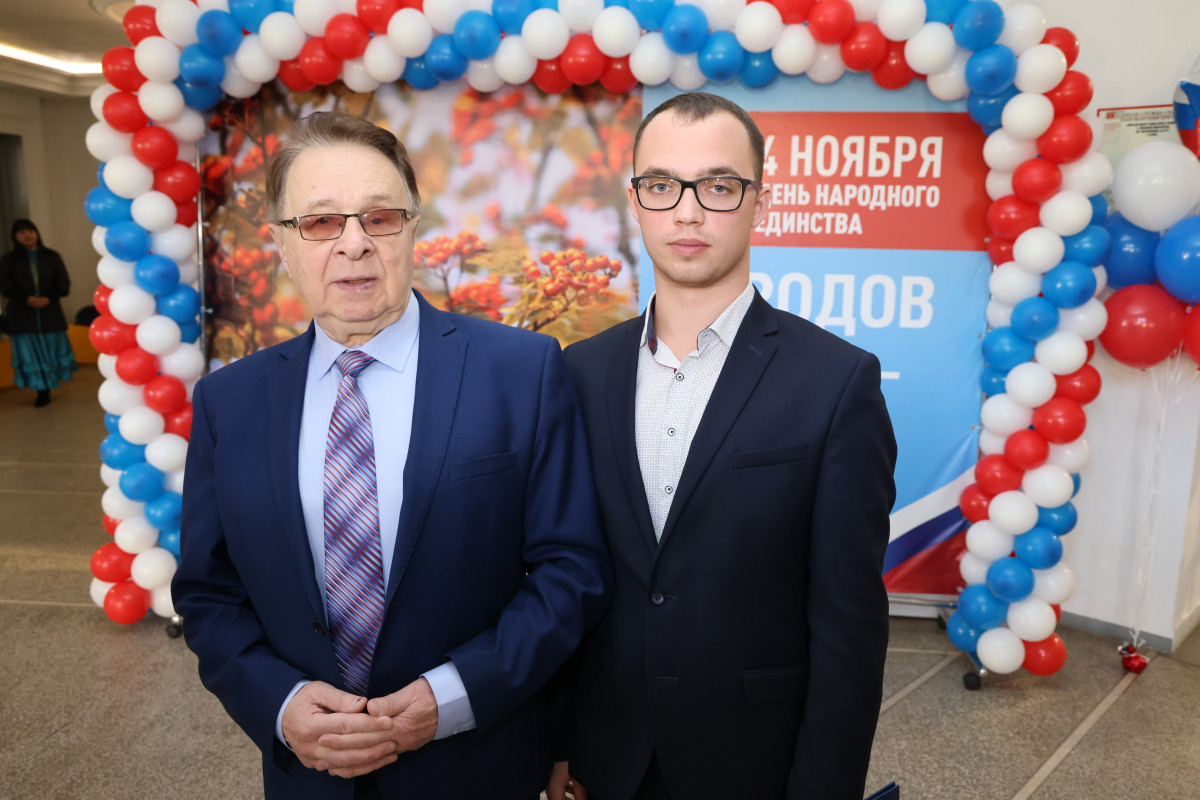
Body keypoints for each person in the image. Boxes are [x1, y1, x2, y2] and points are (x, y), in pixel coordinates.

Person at [172, 111, 612, 799]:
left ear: (412, 229)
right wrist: (280, 704)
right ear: (281, 243)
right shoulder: (230, 401)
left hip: (477, 767)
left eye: (379, 218)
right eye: (321, 222)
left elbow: (571, 571)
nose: (354, 244)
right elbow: (208, 592)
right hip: (310, 777)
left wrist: (455, 694)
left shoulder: (521, 372)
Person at [548, 93, 898, 800]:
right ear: (636, 201)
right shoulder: (577, 372)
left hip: (754, 761)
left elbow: (849, 628)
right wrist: (554, 749)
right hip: (603, 757)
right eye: (662, 185)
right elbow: (561, 579)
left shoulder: (836, 382)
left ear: (759, 202)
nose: (687, 212)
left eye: (717, 186)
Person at [0, 219, 77, 406]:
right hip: (22, 314)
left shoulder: (52, 256)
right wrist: (27, 299)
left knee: (52, 350)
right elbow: (5, 286)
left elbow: (64, 284)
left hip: (50, 312)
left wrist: (48, 298)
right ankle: (42, 390)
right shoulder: (9, 259)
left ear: (36, 233)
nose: (27, 235)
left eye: (30, 231)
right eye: (21, 232)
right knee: (30, 353)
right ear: (15, 237)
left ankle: (50, 384)